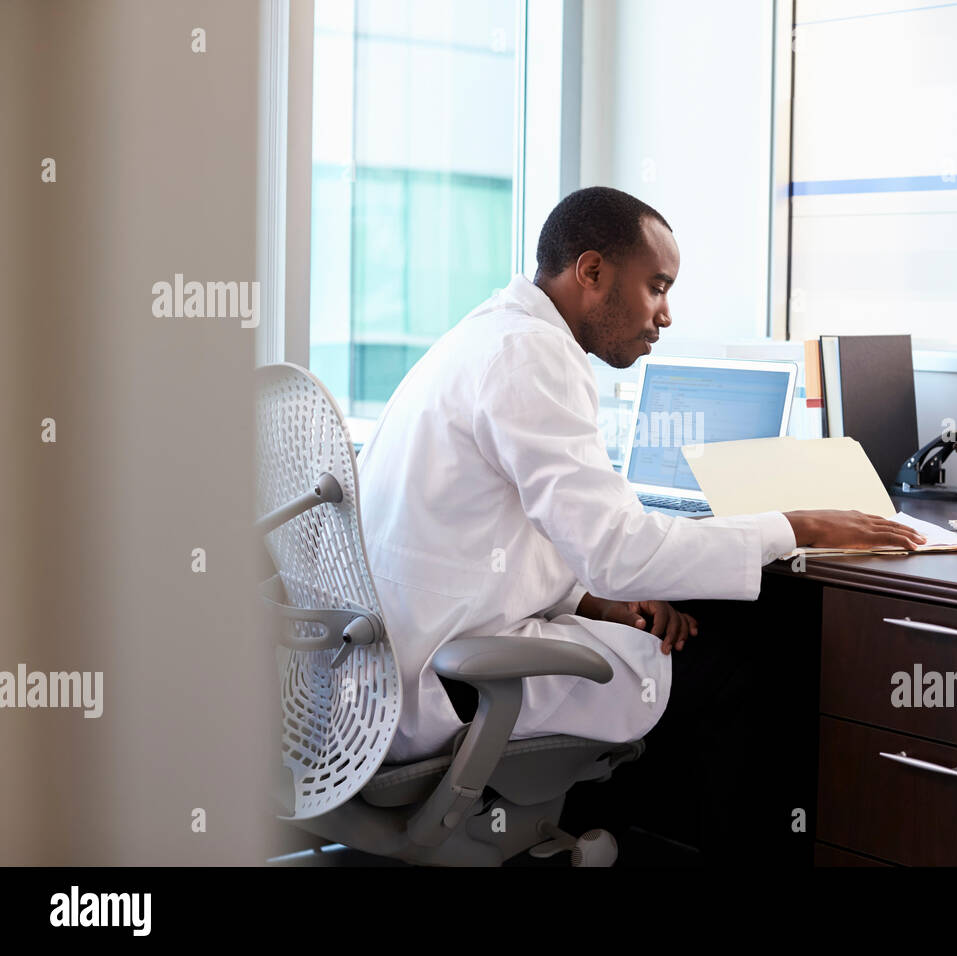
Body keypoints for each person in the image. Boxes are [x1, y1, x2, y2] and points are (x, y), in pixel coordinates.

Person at [356, 186, 926, 776]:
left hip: (396, 672)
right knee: (752, 661)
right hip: (450, 684)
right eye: (657, 286)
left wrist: (591, 599)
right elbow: (616, 550)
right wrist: (797, 525)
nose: (666, 314)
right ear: (593, 271)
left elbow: (495, 535)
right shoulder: (532, 355)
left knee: (694, 652)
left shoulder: (488, 336)